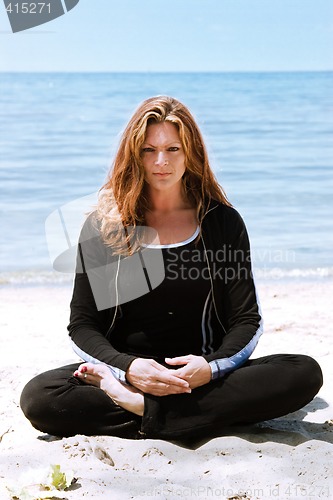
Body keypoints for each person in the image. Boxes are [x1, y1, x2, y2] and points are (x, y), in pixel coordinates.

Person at [20, 96, 323, 441]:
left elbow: (246, 320)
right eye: (149, 150)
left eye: (173, 149)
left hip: (201, 373)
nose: (161, 161)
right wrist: (128, 368)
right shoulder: (105, 225)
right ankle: (187, 413)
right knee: (39, 397)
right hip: (128, 372)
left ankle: (142, 410)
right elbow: (83, 324)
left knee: (303, 372)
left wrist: (209, 369)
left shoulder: (220, 222)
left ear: (191, 152)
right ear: (134, 154)